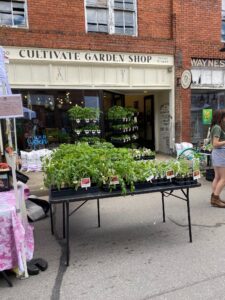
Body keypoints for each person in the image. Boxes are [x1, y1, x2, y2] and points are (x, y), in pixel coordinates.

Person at [210, 109, 225, 207]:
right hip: (220, 153)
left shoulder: (216, 127)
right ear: (221, 117)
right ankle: (215, 198)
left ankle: (215, 197)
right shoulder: (217, 128)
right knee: (223, 178)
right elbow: (215, 144)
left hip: (218, 154)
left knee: (217, 177)